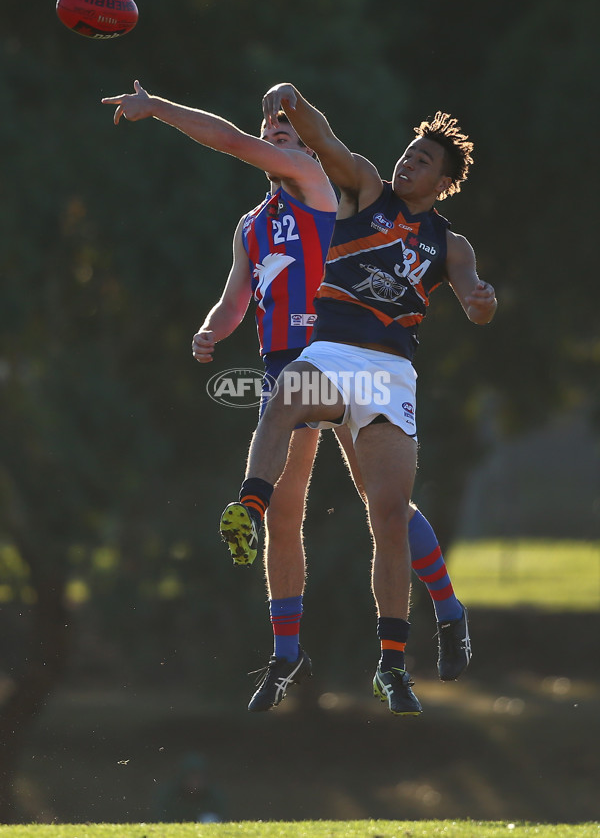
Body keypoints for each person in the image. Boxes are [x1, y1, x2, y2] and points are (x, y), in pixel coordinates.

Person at [101, 83, 471, 715]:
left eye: (285, 135)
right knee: (285, 512)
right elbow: (239, 297)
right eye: (271, 133)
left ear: (303, 148)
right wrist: (213, 328)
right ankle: (286, 654)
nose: (275, 140)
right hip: (296, 364)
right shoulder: (252, 225)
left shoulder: (312, 181)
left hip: (349, 352)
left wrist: (158, 107)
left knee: (386, 504)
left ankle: (443, 604)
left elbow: (233, 141)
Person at [219, 83, 497, 716]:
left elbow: (475, 296)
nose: (407, 164)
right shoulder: (366, 190)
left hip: (390, 374)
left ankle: (393, 666)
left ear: (444, 180)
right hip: (332, 352)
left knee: (390, 514)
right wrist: (294, 101)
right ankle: (249, 509)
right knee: (285, 396)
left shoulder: (449, 244)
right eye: (407, 154)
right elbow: (324, 139)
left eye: (423, 161)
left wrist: (484, 303)